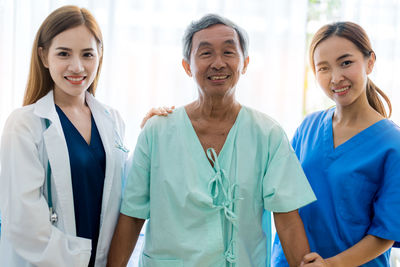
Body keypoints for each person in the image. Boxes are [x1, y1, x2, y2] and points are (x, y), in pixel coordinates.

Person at [107, 14, 316, 267]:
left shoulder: (267, 134)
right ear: (187, 66)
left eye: (229, 52)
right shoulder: (157, 132)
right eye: (205, 53)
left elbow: (287, 218)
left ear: (245, 63)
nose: (218, 63)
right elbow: (132, 215)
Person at [0, 5, 129, 267]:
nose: (77, 66)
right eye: (64, 54)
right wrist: (79, 260)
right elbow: (22, 222)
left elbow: (124, 194)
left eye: (87, 54)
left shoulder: (113, 120)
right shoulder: (25, 124)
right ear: (44, 57)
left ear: (100, 56)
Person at [272, 22, 400, 267]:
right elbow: (282, 197)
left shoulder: (393, 144)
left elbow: (386, 231)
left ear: (370, 62)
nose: (335, 78)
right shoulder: (308, 127)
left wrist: (331, 264)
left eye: (346, 63)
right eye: (323, 68)